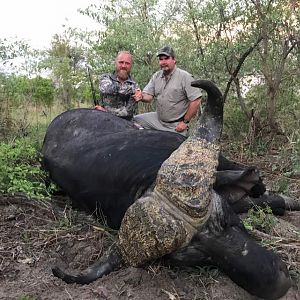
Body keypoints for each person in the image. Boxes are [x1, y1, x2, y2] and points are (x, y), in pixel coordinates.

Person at [134, 46, 201, 136]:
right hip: (158, 120)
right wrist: (141, 96)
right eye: (161, 59)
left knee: (176, 148)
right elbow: (149, 96)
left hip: (175, 125)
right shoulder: (156, 76)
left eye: (166, 58)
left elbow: (196, 100)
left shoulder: (185, 77)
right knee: (134, 120)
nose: (163, 62)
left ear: (174, 60)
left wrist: (185, 122)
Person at [95, 51, 140, 120]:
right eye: (121, 62)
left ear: (131, 66)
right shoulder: (105, 78)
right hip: (104, 119)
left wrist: (106, 112)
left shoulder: (134, 84)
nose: (123, 66)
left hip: (125, 122)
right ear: (115, 63)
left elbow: (128, 112)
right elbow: (108, 89)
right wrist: (131, 90)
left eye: (127, 63)